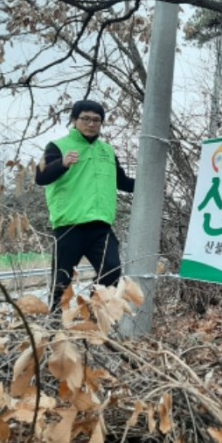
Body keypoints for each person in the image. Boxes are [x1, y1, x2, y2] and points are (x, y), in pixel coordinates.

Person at [35, 100, 135, 310]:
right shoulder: (58, 147)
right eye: (86, 119)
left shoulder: (107, 151)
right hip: (70, 225)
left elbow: (123, 182)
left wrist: (152, 184)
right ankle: (54, 325)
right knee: (62, 280)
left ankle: (90, 314)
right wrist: (62, 164)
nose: (91, 124)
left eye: (96, 120)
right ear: (74, 120)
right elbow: (41, 177)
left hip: (101, 225)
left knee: (112, 270)